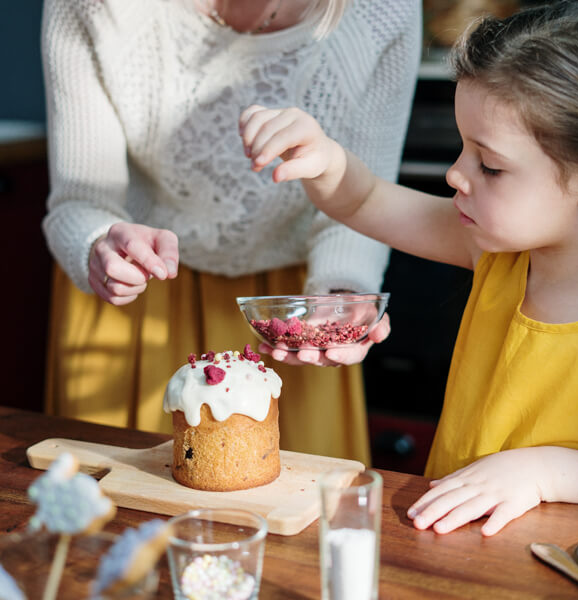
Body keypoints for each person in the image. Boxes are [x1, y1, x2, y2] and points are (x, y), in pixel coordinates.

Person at [239, 0, 578, 534]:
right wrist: (323, 158)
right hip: (452, 548)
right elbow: (364, 203)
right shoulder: (495, 254)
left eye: (491, 166)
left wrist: (543, 471)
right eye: (462, 149)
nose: (456, 174)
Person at [41, 0, 421, 464]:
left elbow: (364, 202)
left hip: (294, 314)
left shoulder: (385, 10)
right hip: (135, 302)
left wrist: (340, 300)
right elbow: (77, 201)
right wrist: (99, 246)